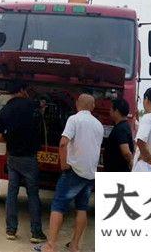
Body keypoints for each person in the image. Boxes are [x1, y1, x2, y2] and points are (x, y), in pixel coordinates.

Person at [40, 94, 103, 252]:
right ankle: (74, 245)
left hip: (74, 171)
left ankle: (50, 245)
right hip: (90, 174)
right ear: (93, 106)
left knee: (58, 206)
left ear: (77, 104)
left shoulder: (74, 120)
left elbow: (63, 143)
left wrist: (64, 165)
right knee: (82, 209)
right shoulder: (99, 125)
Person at [0, 81, 47, 243]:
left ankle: (11, 230)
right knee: (32, 194)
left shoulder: (4, 110)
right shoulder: (33, 106)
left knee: (12, 193)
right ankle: (36, 232)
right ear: (22, 90)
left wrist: (11, 140)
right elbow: (39, 122)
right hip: (29, 158)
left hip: (13, 158)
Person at [102, 98, 134, 172]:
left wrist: (132, 165)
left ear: (116, 111)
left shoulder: (121, 128)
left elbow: (126, 152)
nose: (110, 111)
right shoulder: (124, 126)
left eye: (111, 109)